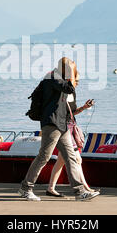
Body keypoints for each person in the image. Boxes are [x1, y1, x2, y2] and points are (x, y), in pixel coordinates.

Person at [18, 57, 100, 201]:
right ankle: (26, 188)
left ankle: (80, 192)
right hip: (52, 123)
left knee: (71, 157)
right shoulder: (53, 78)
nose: (74, 75)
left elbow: (68, 106)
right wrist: (70, 76)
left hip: (62, 124)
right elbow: (69, 87)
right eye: (71, 70)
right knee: (44, 156)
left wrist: (82, 107)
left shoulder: (57, 79)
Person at [46, 70, 97, 197]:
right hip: (63, 128)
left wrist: (85, 107)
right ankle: (85, 188)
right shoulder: (60, 92)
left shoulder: (72, 93)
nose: (78, 83)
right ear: (69, 80)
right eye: (76, 81)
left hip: (70, 126)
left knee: (61, 161)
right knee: (76, 159)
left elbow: (71, 113)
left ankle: (51, 188)